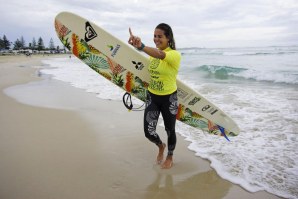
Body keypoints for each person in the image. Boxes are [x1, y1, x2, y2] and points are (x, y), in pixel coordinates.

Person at [128, 23, 181, 169]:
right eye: (155, 36)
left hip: (169, 98)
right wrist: (135, 44)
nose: (156, 39)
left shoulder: (174, 55)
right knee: (148, 132)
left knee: (170, 130)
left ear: (168, 38)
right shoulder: (152, 55)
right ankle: (160, 146)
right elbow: (151, 58)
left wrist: (141, 46)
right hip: (153, 97)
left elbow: (160, 54)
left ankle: (170, 156)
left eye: (160, 36)